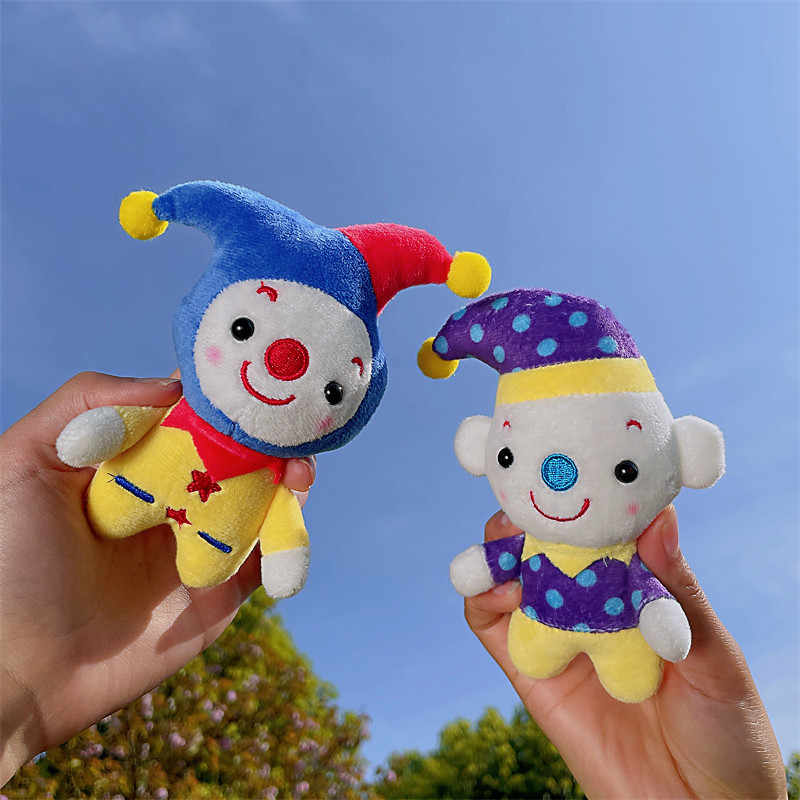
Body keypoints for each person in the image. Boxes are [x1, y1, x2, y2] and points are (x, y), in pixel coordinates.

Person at [0, 374, 788, 797]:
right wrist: (23, 676)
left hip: (605, 650)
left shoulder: (621, 560)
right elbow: (486, 566)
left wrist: (23, 677)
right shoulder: (237, 452)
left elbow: (644, 598)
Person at [0, 373, 315, 786]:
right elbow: (123, 423)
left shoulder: (269, 468)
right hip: (144, 498)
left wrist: (18, 681)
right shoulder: (180, 406)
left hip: (175, 513)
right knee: (128, 517)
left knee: (202, 563)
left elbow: (284, 521)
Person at [465, 509, 788, 798]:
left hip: (616, 643)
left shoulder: (627, 554)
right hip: (544, 632)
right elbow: (486, 564)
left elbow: (647, 590)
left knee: (631, 680)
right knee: (537, 658)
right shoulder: (531, 541)